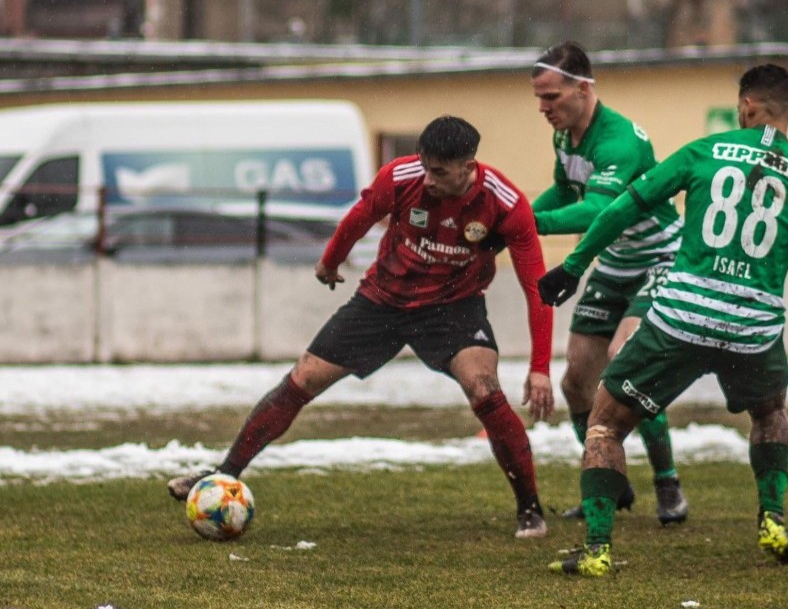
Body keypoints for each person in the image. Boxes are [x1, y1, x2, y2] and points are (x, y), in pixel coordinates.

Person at [538, 63, 788, 575]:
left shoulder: (704, 151)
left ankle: (599, 550)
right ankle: (773, 518)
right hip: (753, 330)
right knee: (769, 414)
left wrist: (574, 263)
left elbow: (626, 207)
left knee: (605, 424)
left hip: (682, 317)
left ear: (745, 108)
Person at [168, 115, 556, 539]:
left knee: (484, 388)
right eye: (425, 167)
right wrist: (330, 261)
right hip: (382, 301)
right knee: (302, 379)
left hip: (453, 309)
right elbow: (361, 216)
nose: (427, 180)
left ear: (468, 167)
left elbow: (537, 288)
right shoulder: (401, 176)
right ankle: (224, 474)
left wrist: (540, 367)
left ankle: (530, 509)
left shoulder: (505, 204)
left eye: (439, 172)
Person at [529, 41, 687, 524]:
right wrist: (521, 215)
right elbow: (566, 189)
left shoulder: (620, 141)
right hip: (615, 261)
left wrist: (528, 226)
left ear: (584, 87)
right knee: (577, 382)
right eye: (539, 98)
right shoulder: (565, 137)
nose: (543, 108)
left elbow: (601, 210)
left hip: (660, 257)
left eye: (552, 97)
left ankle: (668, 484)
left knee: (626, 366)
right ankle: (611, 482)